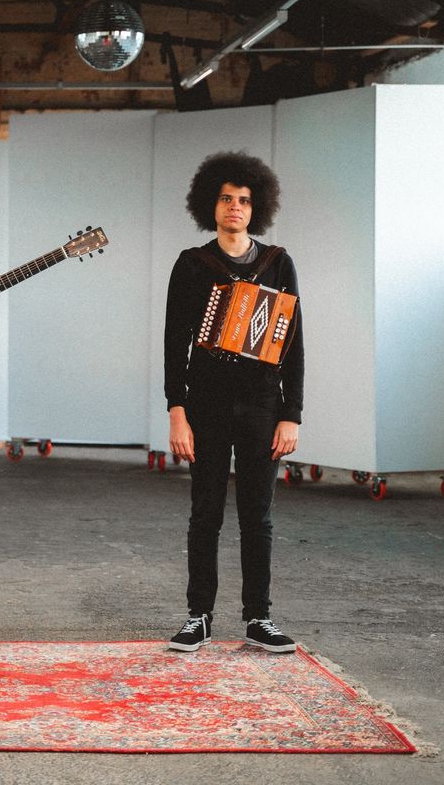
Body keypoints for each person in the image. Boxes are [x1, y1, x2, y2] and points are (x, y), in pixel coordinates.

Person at [163, 151, 305, 654]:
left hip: (263, 405)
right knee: (205, 513)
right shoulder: (191, 264)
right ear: (211, 205)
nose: (235, 208)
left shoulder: (278, 263)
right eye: (226, 199)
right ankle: (198, 615)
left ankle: (258, 618)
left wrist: (292, 414)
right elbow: (173, 341)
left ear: (256, 207)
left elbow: (294, 345)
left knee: (257, 517)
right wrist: (176, 410)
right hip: (204, 405)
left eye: (244, 200)